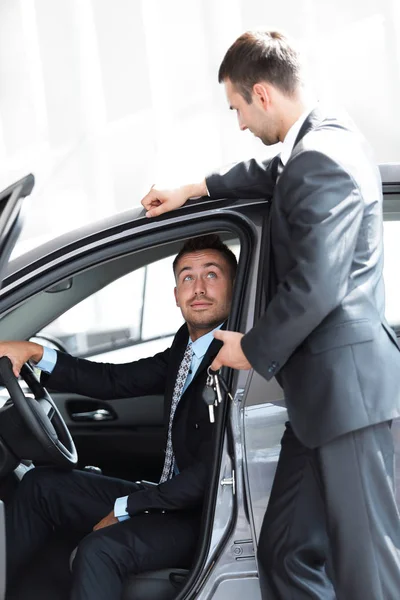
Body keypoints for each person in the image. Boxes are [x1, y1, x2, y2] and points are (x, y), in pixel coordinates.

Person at [140, 30, 400, 600]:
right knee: (284, 550)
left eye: (235, 108)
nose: (238, 124)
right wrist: (198, 188)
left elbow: (317, 287)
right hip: (319, 405)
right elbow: (272, 177)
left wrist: (249, 349)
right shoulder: (319, 145)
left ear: (261, 93)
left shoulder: (321, 159)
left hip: (347, 401)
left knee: (369, 574)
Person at [1, 234, 237, 600]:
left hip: (202, 515)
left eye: (212, 274)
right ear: (176, 295)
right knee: (40, 486)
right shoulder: (186, 347)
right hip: (168, 499)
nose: (199, 288)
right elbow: (114, 380)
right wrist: (35, 352)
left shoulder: (234, 360)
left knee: (100, 551)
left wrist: (128, 508)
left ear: (232, 287)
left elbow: (209, 475)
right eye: (188, 277)